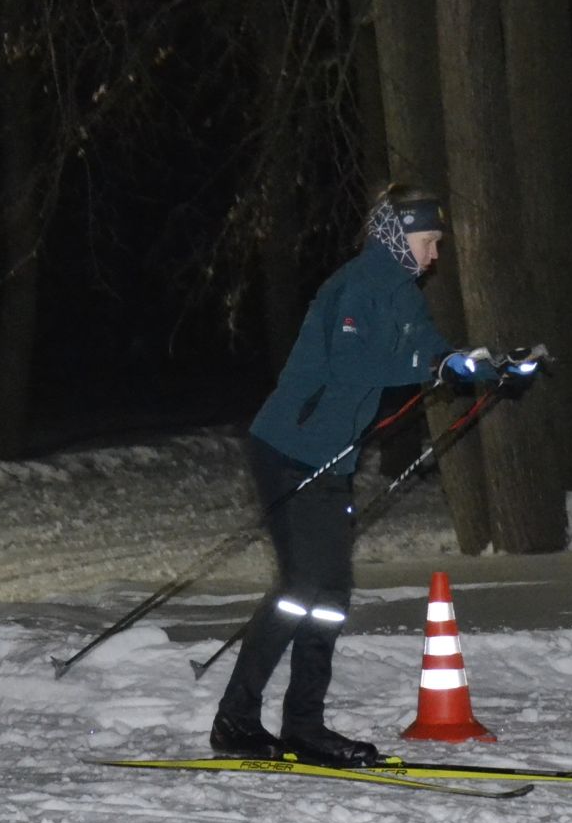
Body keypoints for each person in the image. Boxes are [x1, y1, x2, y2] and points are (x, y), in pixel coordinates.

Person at [208, 185, 493, 767]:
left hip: (330, 458)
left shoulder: (402, 292)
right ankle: (241, 720)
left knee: (327, 597)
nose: (435, 254)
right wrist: (436, 365)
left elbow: (427, 346)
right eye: (428, 241)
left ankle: (299, 726)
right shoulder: (355, 287)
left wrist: (482, 366)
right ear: (397, 235)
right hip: (290, 449)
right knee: (303, 590)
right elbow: (356, 364)